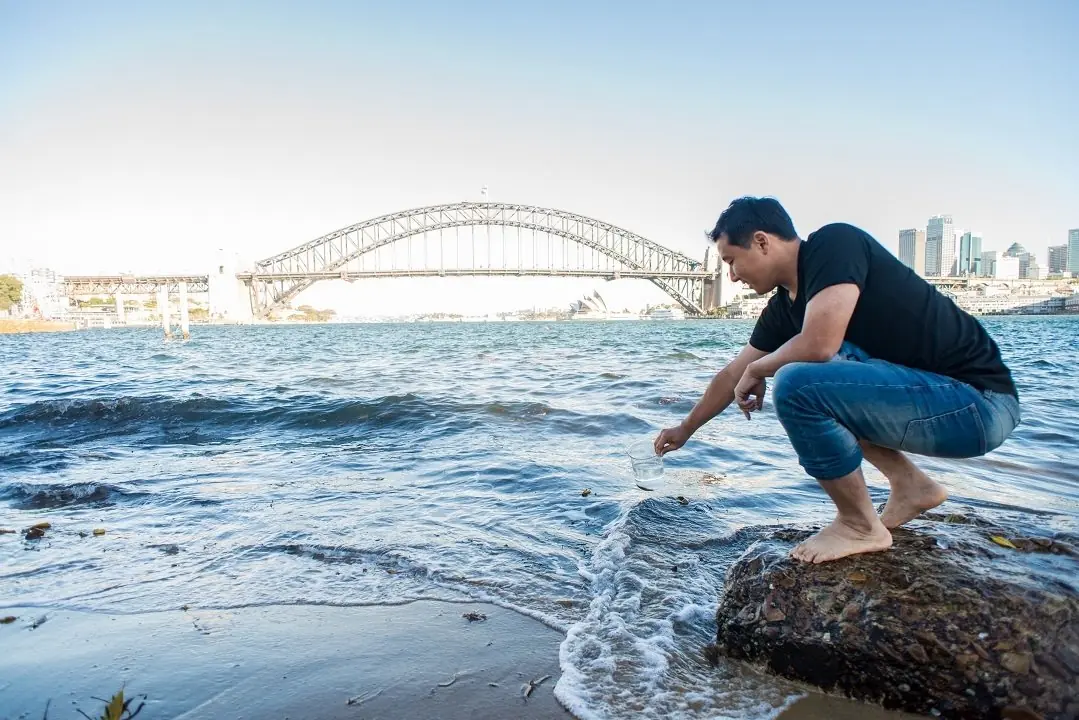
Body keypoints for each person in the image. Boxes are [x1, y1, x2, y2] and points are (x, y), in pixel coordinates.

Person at [654, 197, 1020, 563]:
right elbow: (733, 372)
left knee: (799, 382)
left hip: (980, 404)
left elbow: (819, 343)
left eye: (731, 260)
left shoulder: (833, 244)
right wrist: (684, 429)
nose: (731, 275)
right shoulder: (784, 308)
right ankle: (911, 486)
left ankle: (859, 525)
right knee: (815, 372)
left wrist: (761, 368)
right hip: (949, 404)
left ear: (762, 241)